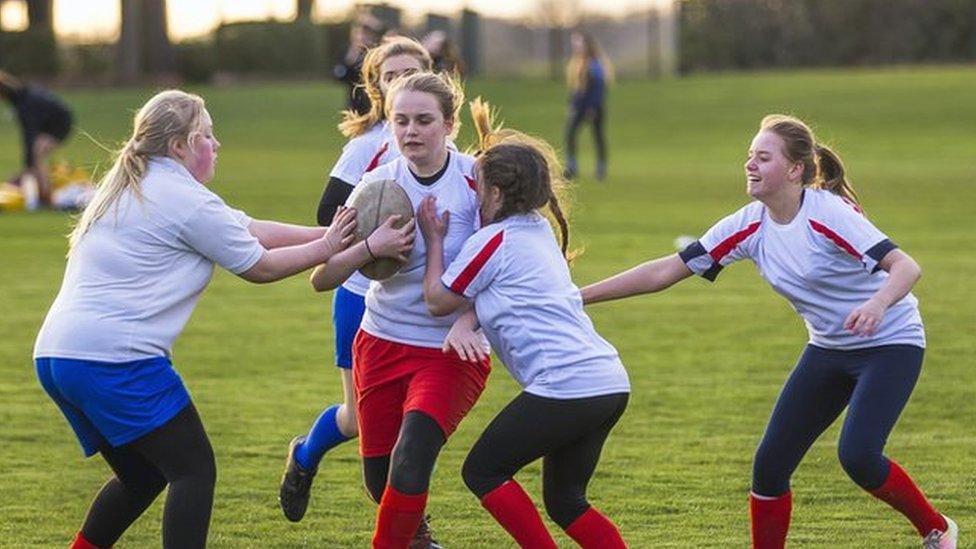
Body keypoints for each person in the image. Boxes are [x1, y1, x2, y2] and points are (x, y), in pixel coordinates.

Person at [31, 89, 405, 549]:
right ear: (180, 147)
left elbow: (250, 229)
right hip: (113, 359)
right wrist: (340, 249)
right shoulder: (183, 199)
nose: (217, 144)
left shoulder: (141, 183)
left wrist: (332, 235)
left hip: (58, 356)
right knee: (194, 470)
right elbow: (260, 267)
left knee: (143, 477)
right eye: (207, 135)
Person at [579, 115, 958, 549]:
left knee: (858, 457)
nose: (750, 165)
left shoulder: (828, 214)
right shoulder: (749, 224)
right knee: (770, 467)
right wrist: (579, 297)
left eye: (763, 157)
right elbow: (666, 271)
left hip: (890, 344)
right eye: (749, 157)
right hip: (829, 349)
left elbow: (906, 266)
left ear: (795, 170)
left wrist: (877, 304)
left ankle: (938, 530)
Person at [415, 103, 630, 548]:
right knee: (566, 501)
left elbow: (437, 300)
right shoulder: (538, 231)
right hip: (608, 382)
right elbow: (498, 294)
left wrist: (434, 239)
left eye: (477, 188)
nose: (473, 196)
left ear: (494, 193)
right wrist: (468, 321)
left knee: (482, 470)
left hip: (567, 385)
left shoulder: (491, 239)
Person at [307, 71, 490, 549]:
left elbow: (508, 268)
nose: (410, 131)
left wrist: (470, 320)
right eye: (400, 120)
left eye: (424, 120)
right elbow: (322, 277)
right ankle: (420, 542)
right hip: (381, 342)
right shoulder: (374, 184)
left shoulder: (477, 183)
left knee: (410, 460)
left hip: (449, 349)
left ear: (449, 125)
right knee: (379, 480)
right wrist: (371, 245)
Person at [279, 35, 433, 524]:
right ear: (377, 89)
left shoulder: (439, 144)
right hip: (360, 298)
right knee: (363, 421)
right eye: (391, 77)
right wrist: (372, 246)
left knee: (420, 415)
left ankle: (412, 525)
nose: (402, 83)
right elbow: (329, 215)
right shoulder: (365, 148)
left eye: (411, 73)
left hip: (420, 302)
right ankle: (305, 455)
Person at [0, 70, 73, 208]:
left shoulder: (24, 105)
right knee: (36, 157)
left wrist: (28, 164)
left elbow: (29, 134)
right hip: (51, 123)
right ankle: (44, 194)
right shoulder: (23, 95)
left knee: (36, 156)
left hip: (59, 124)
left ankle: (46, 197)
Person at [563, 31, 612, 181]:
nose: (576, 47)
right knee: (570, 134)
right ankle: (572, 167)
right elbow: (578, 89)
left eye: (578, 44)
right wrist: (572, 104)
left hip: (592, 107)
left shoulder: (595, 64)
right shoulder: (578, 63)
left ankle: (601, 168)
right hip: (580, 107)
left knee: (597, 137)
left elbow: (598, 88)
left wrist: (593, 107)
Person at [333, 13, 386, 116]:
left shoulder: (377, 52)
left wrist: (377, 26)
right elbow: (339, 76)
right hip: (354, 103)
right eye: (358, 33)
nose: (361, 37)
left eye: (365, 34)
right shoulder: (347, 51)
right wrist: (351, 57)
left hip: (375, 103)